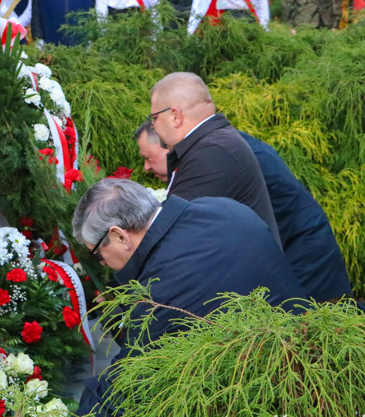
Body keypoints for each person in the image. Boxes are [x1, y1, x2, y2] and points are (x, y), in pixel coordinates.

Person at [69, 179, 304, 417]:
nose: (102, 264)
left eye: (97, 254)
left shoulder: (157, 297)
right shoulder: (224, 208)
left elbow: (123, 393)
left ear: (119, 236)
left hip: (265, 412)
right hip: (311, 354)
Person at [135, 122, 352, 302]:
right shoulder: (224, 143)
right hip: (298, 245)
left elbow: (183, 229)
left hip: (304, 253)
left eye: (148, 157)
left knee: (319, 333)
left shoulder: (215, 156)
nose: (145, 167)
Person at [149, 72, 280, 243]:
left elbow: (172, 233)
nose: (153, 126)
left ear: (175, 117)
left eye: (155, 118)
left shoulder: (211, 153)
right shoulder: (215, 143)